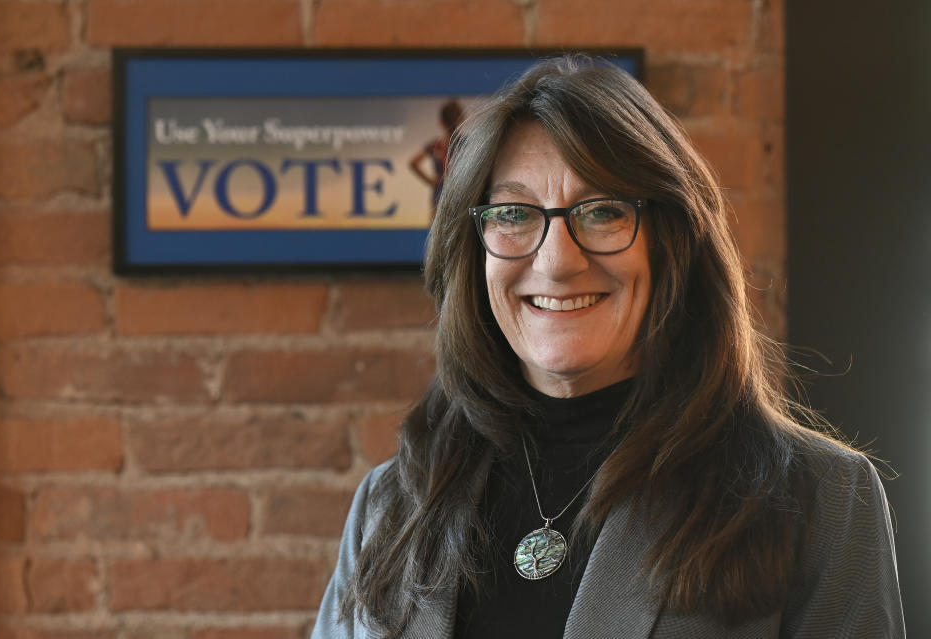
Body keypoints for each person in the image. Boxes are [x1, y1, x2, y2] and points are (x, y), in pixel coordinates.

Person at [312, 55, 905, 638]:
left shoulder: (819, 499)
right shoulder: (391, 506)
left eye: (601, 212)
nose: (557, 260)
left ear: (670, 242)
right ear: (475, 253)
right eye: (515, 212)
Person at [410, 99, 464, 216]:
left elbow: (413, 163)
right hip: (459, 195)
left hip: (440, 195)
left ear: (441, 122)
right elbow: (413, 163)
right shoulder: (466, 144)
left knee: (437, 232)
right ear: (462, 119)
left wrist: (431, 181)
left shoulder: (436, 145)